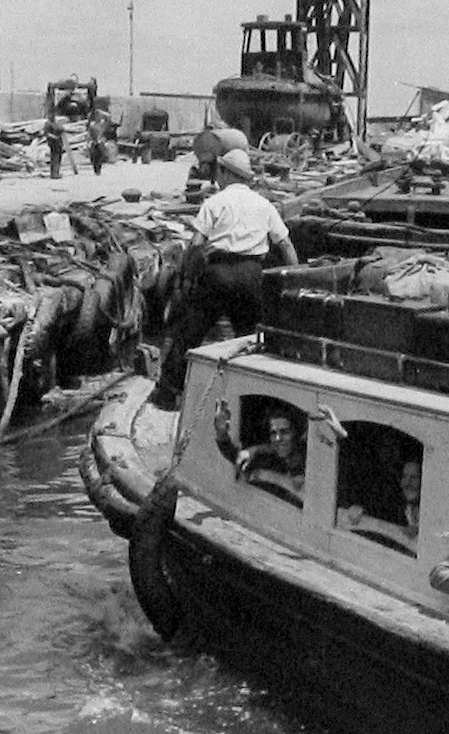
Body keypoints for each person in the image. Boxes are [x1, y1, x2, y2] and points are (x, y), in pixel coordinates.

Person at [149, 147, 297, 410]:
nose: (217, 175)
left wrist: (186, 279)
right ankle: (254, 399)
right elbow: (285, 245)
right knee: (250, 338)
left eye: (220, 170)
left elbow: (195, 245)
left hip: (218, 274)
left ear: (228, 173)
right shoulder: (264, 204)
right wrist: (295, 278)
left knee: (189, 332)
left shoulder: (215, 203)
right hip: (252, 275)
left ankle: (168, 392)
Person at [340, 456, 422, 551]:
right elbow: (377, 511)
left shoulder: (432, 512)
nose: (408, 483)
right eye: (404, 477)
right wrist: (359, 509)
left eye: (414, 477)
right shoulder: (398, 506)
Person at [233, 409, 307, 496]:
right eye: (273, 433)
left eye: (285, 432)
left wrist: (266, 476)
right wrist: (253, 450)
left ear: (296, 434)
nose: (278, 438)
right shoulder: (276, 453)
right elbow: (270, 448)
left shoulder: (307, 458)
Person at [43, 109, 75, 179]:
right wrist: (54, 137)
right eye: (51, 116)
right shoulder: (48, 124)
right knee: (55, 158)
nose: (53, 117)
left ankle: (56, 172)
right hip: (53, 143)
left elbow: (61, 129)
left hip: (59, 143)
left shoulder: (55, 124)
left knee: (58, 158)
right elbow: (47, 134)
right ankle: (54, 174)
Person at [86, 105, 114, 176]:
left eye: (99, 116)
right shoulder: (92, 125)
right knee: (93, 156)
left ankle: (98, 170)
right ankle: (95, 169)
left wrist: (102, 112)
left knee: (100, 155)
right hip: (94, 141)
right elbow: (89, 132)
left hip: (100, 141)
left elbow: (109, 118)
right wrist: (88, 141)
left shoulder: (102, 124)